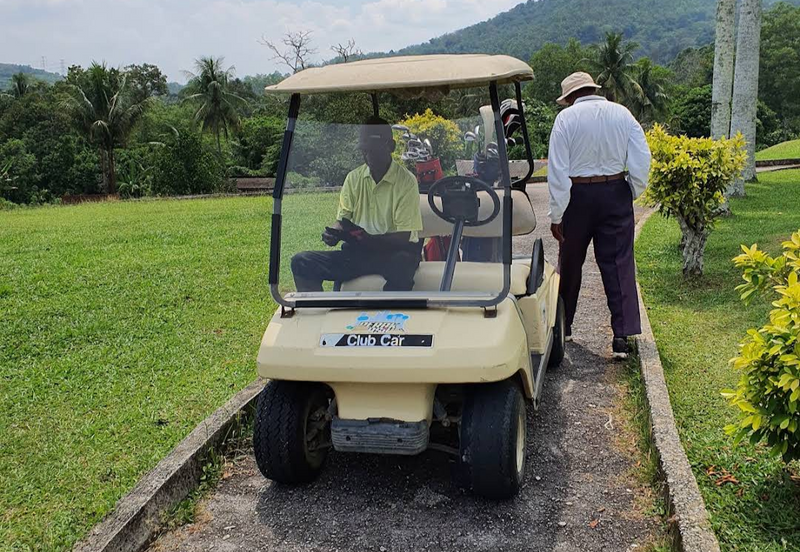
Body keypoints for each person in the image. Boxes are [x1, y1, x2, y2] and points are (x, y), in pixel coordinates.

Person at [547, 72, 651, 359]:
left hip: (577, 195)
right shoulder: (622, 114)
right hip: (615, 190)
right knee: (619, 263)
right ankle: (621, 335)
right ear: (594, 89)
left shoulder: (566, 119)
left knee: (569, 262)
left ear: (570, 97)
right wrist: (631, 191)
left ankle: (563, 326)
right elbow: (642, 160)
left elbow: (557, 171)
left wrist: (556, 214)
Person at [291, 116, 424, 292]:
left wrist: (369, 239)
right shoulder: (353, 178)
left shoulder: (406, 181)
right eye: (364, 150)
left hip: (394, 253)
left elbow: (403, 237)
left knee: (402, 266)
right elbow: (343, 219)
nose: (368, 156)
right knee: (301, 262)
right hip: (359, 252)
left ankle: (389, 316)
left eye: (374, 150)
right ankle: (319, 315)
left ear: (390, 147)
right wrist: (334, 232)